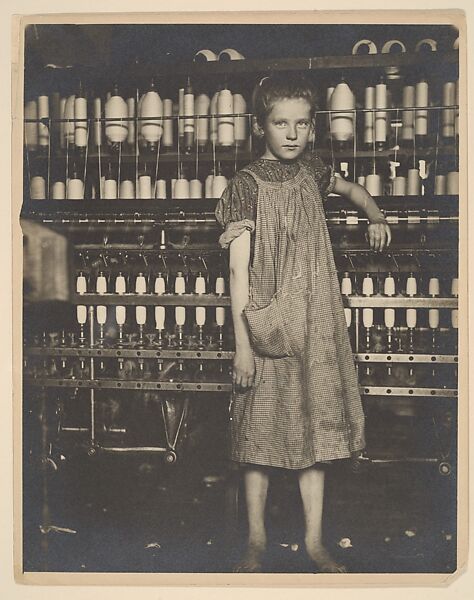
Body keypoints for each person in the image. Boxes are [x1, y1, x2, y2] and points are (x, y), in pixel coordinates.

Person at [215, 74, 391, 573]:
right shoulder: (244, 187)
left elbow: (353, 189)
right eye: (279, 123)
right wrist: (242, 346)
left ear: (312, 129)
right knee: (258, 438)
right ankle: (256, 541)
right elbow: (237, 271)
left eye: (300, 123)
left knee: (314, 435)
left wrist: (376, 216)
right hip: (267, 326)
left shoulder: (314, 171)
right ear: (259, 127)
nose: (290, 133)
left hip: (315, 324)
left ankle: (314, 542)